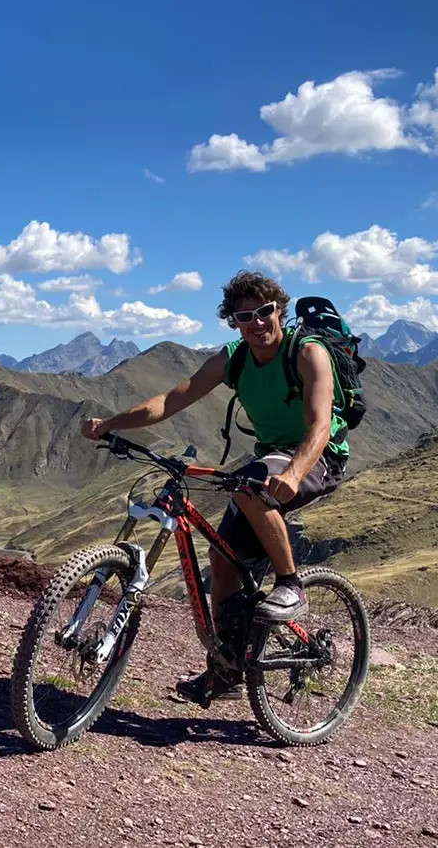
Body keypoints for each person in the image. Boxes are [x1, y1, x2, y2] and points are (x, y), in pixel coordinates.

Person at [79, 270, 350, 702]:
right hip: (271, 458)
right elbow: (170, 401)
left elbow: (319, 426)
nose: (257, 323)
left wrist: (294, 474)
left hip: (318, 455)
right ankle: (227, 672)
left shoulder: (307, 352)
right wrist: (112, 424)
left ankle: (291, 585)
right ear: (233, 322)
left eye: (264, 312)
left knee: (251, 487)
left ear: (279, 309)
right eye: (245, 317)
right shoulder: (233, 359)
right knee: (222, 561)